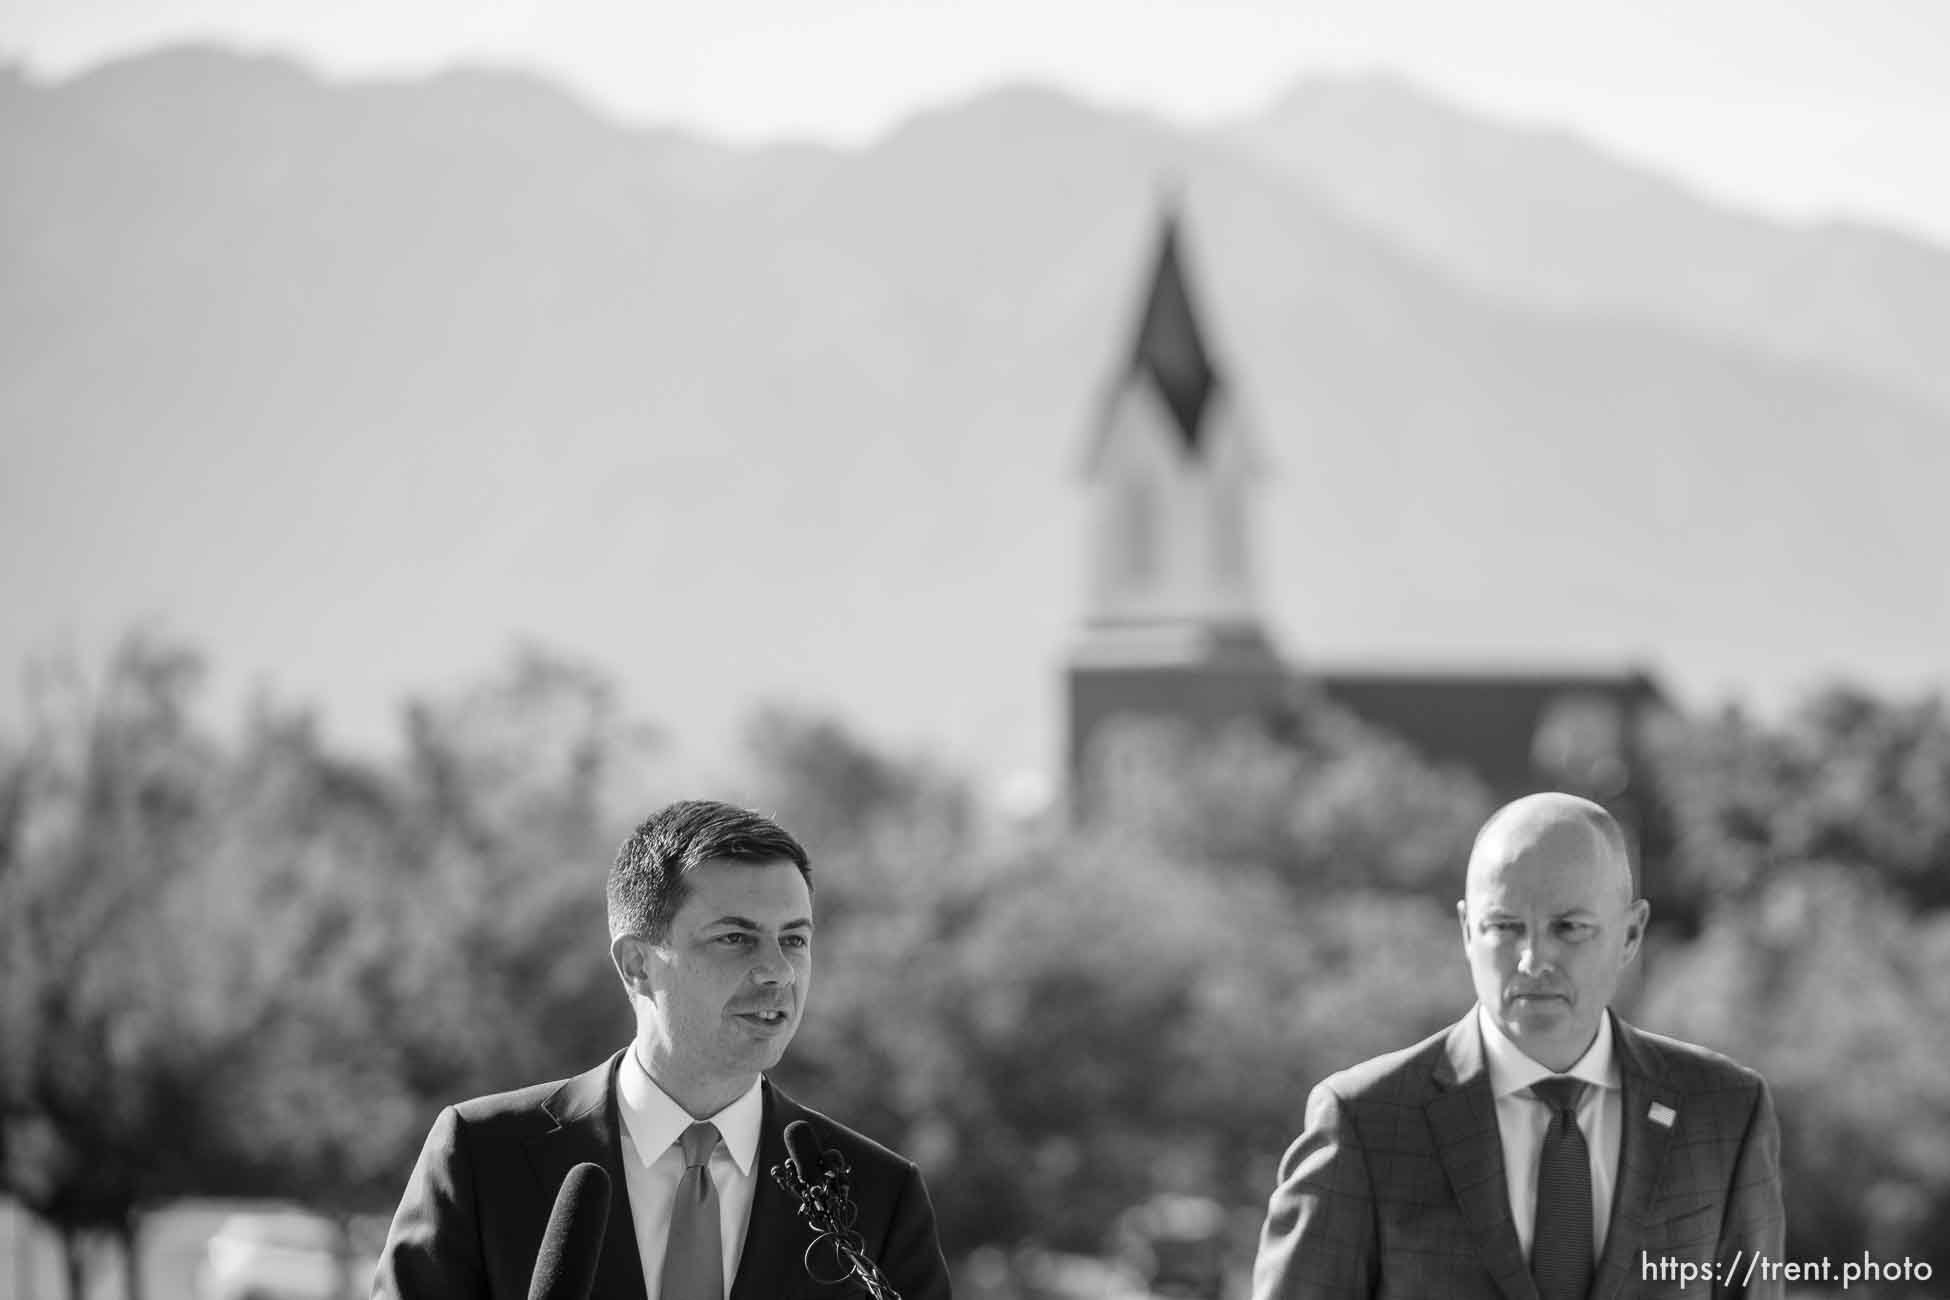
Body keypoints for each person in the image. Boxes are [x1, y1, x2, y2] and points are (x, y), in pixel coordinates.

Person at [374, 798, 953, 1300]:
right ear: (636, 964)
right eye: (735, 938)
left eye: (794, 939)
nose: (777, 971)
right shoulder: (483, 1157)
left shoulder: (876, 1195)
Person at [1251, 792, 1784, 1300]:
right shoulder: (1366, 1122)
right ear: (1466, 929)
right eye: (1505, 926)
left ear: (1631, 934)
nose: (1533, 959)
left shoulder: (1723, 1113)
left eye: (1569, 927)